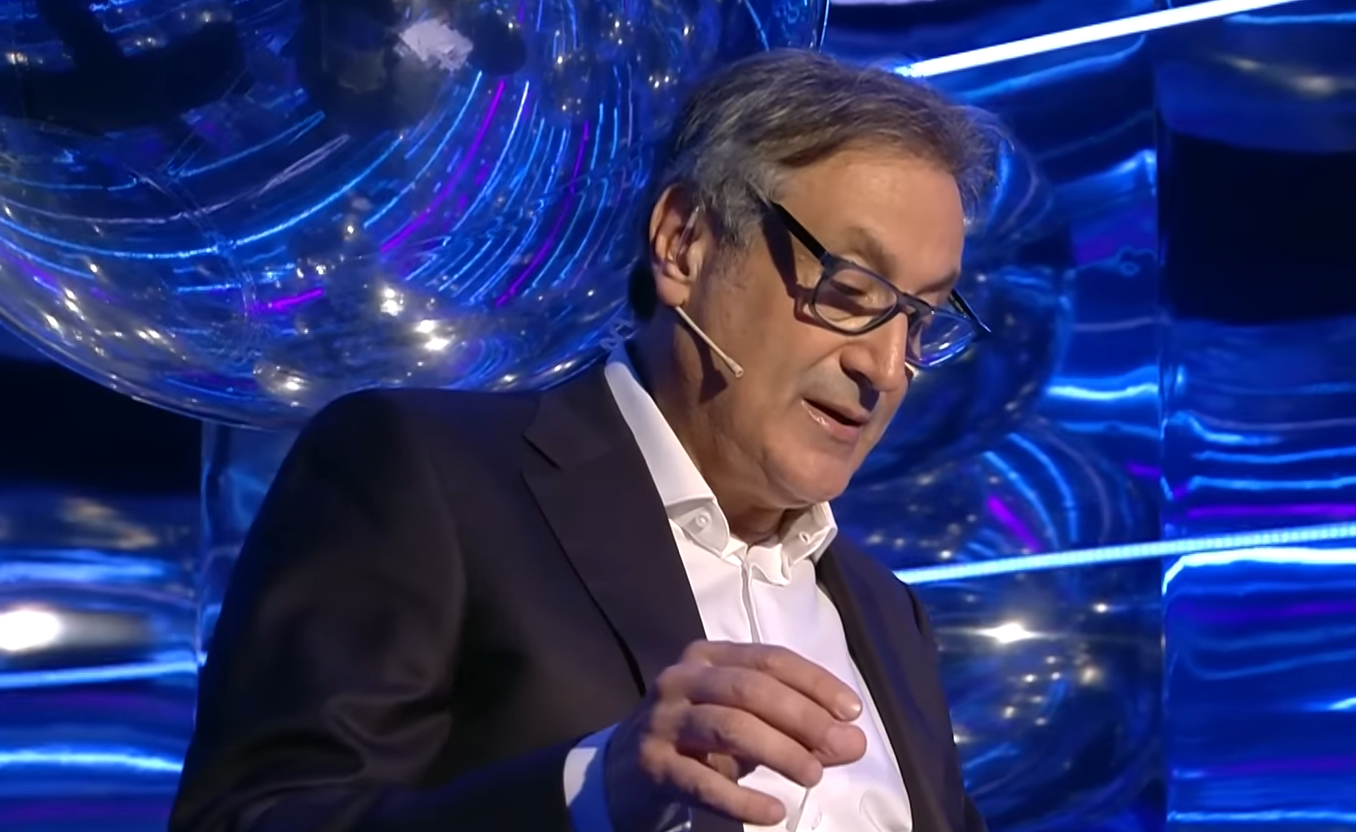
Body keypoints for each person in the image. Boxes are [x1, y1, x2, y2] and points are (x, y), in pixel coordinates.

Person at [170, 47, 1000, 832]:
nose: (885, 365)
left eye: (921, 320)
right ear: (684, 243)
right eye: (850, 289)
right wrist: (593, 791)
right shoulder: (426, 474)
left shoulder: (889, 613)